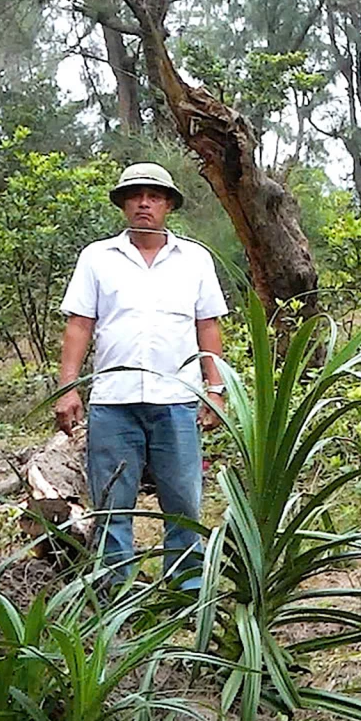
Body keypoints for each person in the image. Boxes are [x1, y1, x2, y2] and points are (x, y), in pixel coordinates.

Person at [56, 163, 228, 588]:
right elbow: (80, 324)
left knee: (183, 500)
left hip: (176, 398)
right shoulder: (98, 258)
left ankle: (186, 590)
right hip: (113, 400)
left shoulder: (194, 259)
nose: (144, 203)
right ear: (123, 204)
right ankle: (117, 590)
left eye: (154, 196)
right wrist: (68, 387)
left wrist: (216, 389)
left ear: (168, 204)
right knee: (113, 501)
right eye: (135, 196)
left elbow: (207, 325)